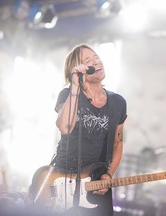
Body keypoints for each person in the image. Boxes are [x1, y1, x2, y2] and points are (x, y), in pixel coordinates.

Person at [34, 44, 127, 216]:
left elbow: (117, 144)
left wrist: (108, 174)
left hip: (97, 181)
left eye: (96, 57)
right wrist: (75, 87)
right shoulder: (68, 95)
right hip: (63, 178)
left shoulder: (118, 102)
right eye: (88, 60)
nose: (95, 61)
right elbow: (64, 127)